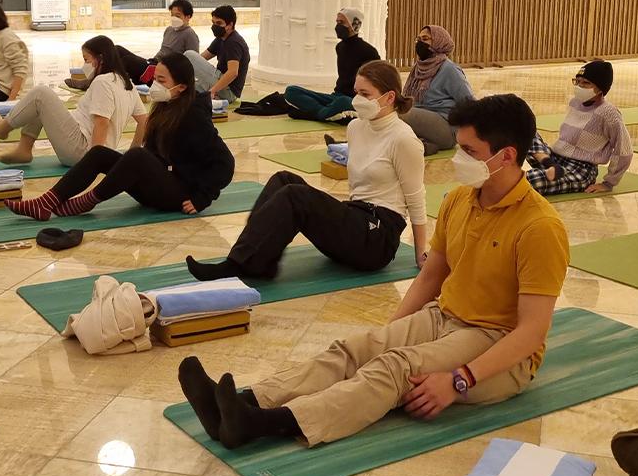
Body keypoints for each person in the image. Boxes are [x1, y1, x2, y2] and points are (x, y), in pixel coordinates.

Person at [177, 93, 569, 449]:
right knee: (357, 348)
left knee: (393, 368)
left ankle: (261, 423)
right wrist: (388, 332)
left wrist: (459, 379)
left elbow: (531, 332)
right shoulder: (460, 200)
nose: (457, 158)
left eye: (469, 150)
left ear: (505, 155)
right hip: (444, 316)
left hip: (496, 340)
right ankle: (243, 402)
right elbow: (432, 275)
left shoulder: (540, 227)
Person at [186, 60, 428, 281]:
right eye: (356, 92)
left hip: (377, 239)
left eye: (365, 94)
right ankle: (258, 260)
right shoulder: (356, 127)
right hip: (355, 217)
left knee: (295, 196)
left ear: (389, 97)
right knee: (283, 180)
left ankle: (239, 266)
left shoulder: (403, 139)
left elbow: (416, 200)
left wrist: (420, 254)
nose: (357, 99)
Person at [4, 52, 234, 222]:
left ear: (182, 87)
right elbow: (155, 155)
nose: (155, 85)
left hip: (179, 194)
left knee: (136, 156)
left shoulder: (194, 116)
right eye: (156, 79)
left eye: (162, 81)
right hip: (160, 184)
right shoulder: (166, 106)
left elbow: (225, 163)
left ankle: (85, 202)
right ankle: (47, 202)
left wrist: (202, 197)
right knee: (99, 153)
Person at [0, 36, 148, 166]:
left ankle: (2, 128)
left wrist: (93, 162)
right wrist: (132, 154)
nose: (84, 65)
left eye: (86, 60)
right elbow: (143, 122)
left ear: (100, 59)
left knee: (41, 93)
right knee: (46, 105)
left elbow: (102, 123)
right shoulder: (128, 85)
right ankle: (24, 148)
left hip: (82, 151)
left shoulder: (103, 82)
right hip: (87, 147)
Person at [526, 60, 632, 195]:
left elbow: (624, 150)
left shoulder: (609, 113)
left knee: (527, 181)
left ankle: (551, 170)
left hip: (580, 170)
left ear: (600, 88)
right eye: (578, 81)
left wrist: (608, 183)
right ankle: (550, 165)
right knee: (524, 129)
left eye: (586, 83)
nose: (580, 86)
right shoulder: (575, 102)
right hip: (555, 158)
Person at [283, 7, 381, 123]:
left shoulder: (369, 51)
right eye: (337, 22)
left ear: (353, 25)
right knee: (291, 91)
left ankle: (317, 114)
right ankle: (327, 113)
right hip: (336, 96)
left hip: (354, 100)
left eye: (341, 22)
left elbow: (376, 83)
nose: (337, 26)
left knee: (343, 102)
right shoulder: (340, 47)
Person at [399, 25, 476, 155]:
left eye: (425, 39)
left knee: (398, 114)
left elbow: (469, 103)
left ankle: (425, 143)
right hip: (424, 122)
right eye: (418, 39)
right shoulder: (418, 68)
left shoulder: (449, 69)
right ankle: (426, 145)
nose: (419, 43)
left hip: (446, 127)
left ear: (439, 41)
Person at [108, 0, 201, 88]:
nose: (174, 18)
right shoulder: (169, 30)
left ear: (188, 17)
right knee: (117, 50)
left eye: (177, 16)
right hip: (154, 63)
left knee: (128, 61)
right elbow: (162, 51)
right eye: (172, 15)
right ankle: (103, 79)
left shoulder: (190, 34)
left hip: (166, 70)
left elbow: (192, 62)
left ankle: (115, 86)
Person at [185, 5, 250, 103]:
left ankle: (215, 95)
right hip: (221, 86)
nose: (215, 26)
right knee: (184, 89)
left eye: (219, 23)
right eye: (213, 23)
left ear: (230, 25)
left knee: (189, 55)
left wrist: (212, 90)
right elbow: (202, 58)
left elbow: (233, 73)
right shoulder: (221, 39)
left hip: (229, 91)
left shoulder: (234, 42)